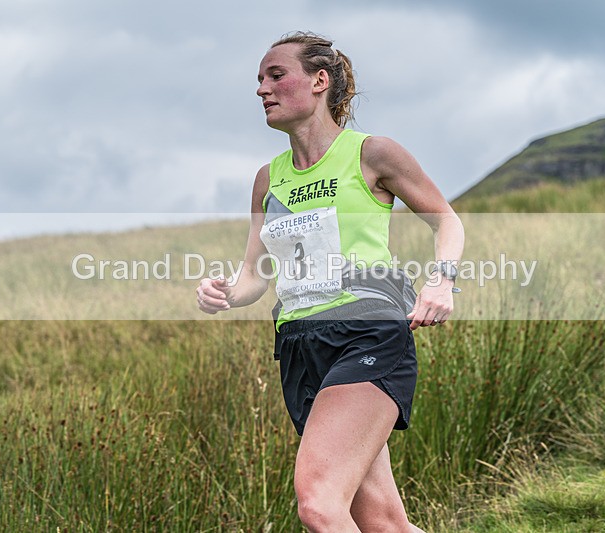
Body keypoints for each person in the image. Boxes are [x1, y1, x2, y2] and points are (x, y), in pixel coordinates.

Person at [196, 31, 464, 532]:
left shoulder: (372, 153)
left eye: (276, 75)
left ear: (320, 81)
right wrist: (225, 293)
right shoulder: (267, 178)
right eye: (258, 79)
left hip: (368, 332)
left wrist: (441, 282)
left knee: (319, 504)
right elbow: (254, 276)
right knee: (383, 522)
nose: (262, 89)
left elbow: (447, 221)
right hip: (299, 347)